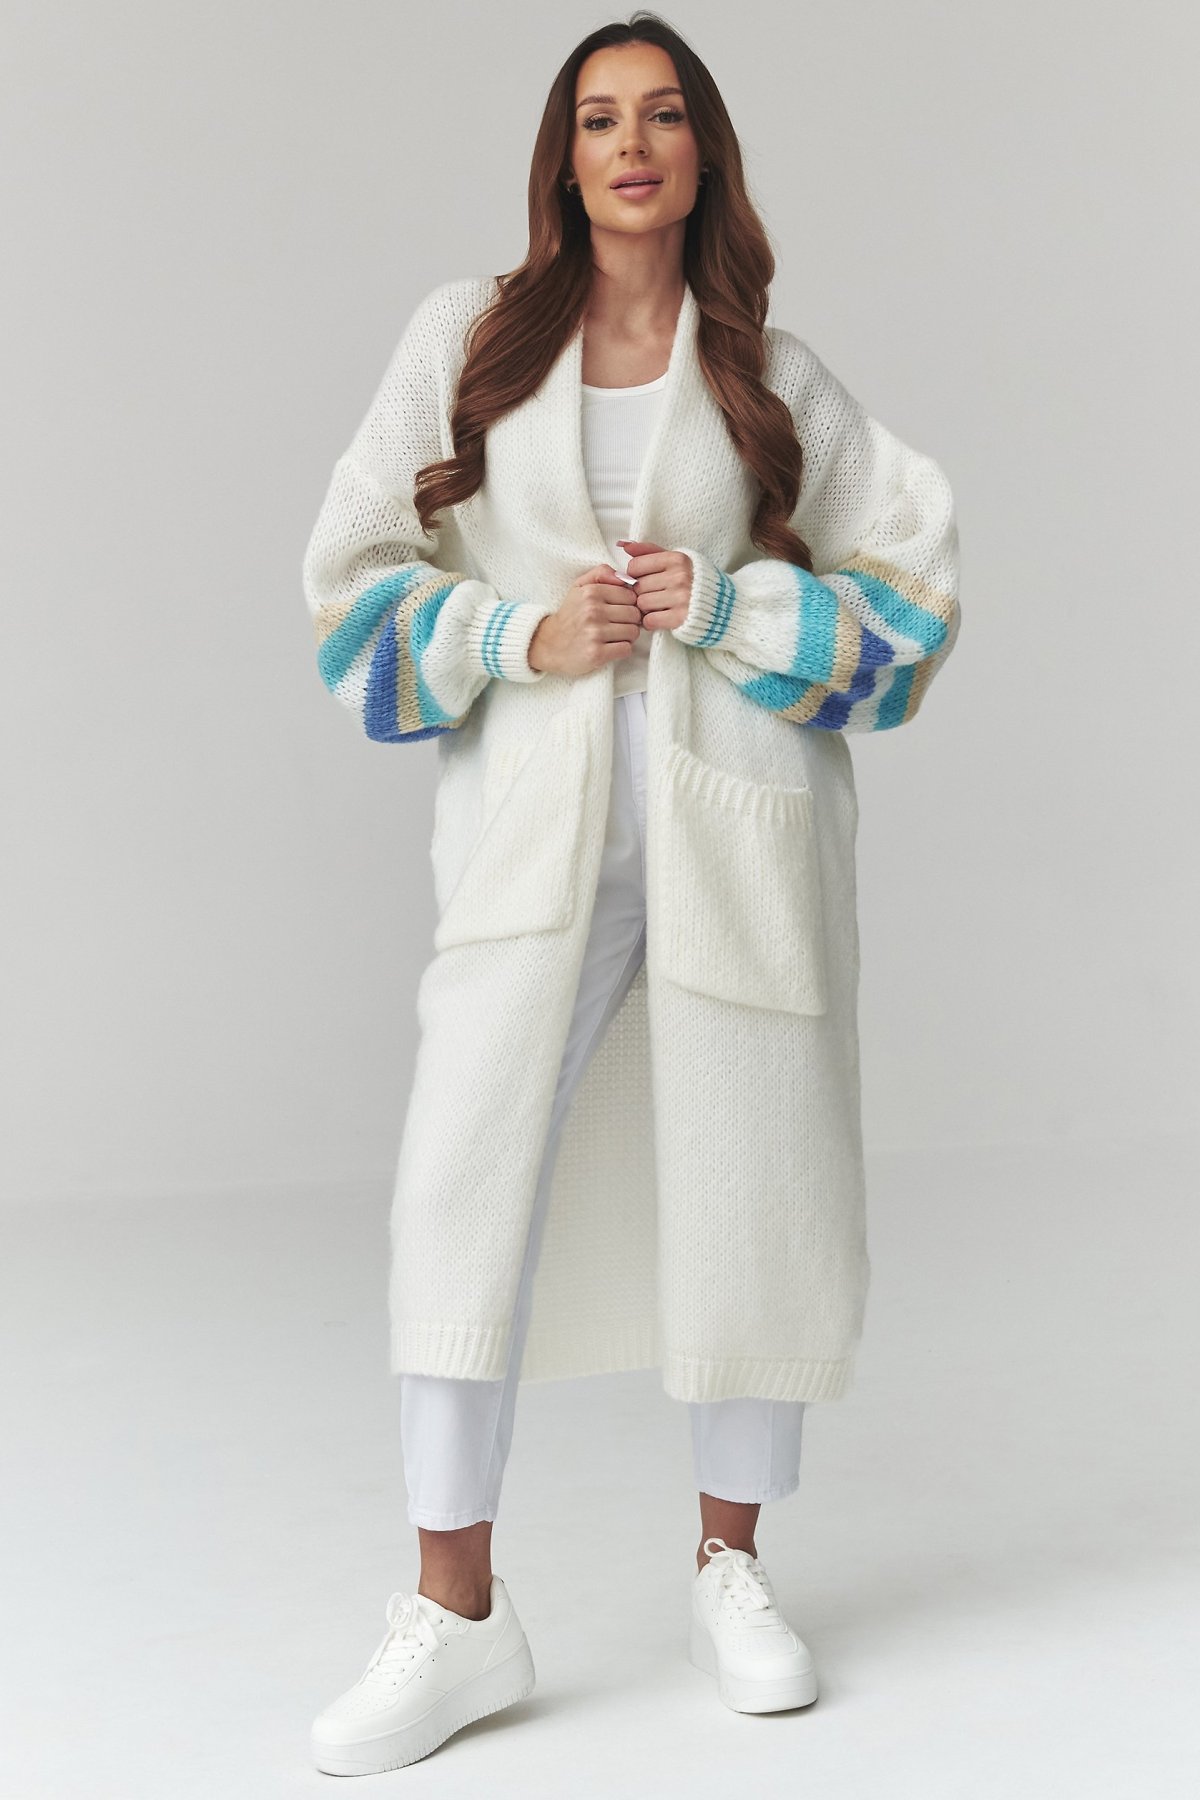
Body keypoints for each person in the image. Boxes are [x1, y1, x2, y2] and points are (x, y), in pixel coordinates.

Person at [301, 11, 960, 1775]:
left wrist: (732, 608)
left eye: (663, 116)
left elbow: (910, 610)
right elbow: (350, 591)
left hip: (745, 841)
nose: (632, 146)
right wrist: (519, 633)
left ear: (703, 153)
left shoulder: (770, 373)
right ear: (565, 157)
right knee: (461, 1193)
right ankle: (455, 1612)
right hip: (533, 854)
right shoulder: (470, 341)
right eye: (600, 119)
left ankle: (731, 1570)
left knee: (754, 1182)